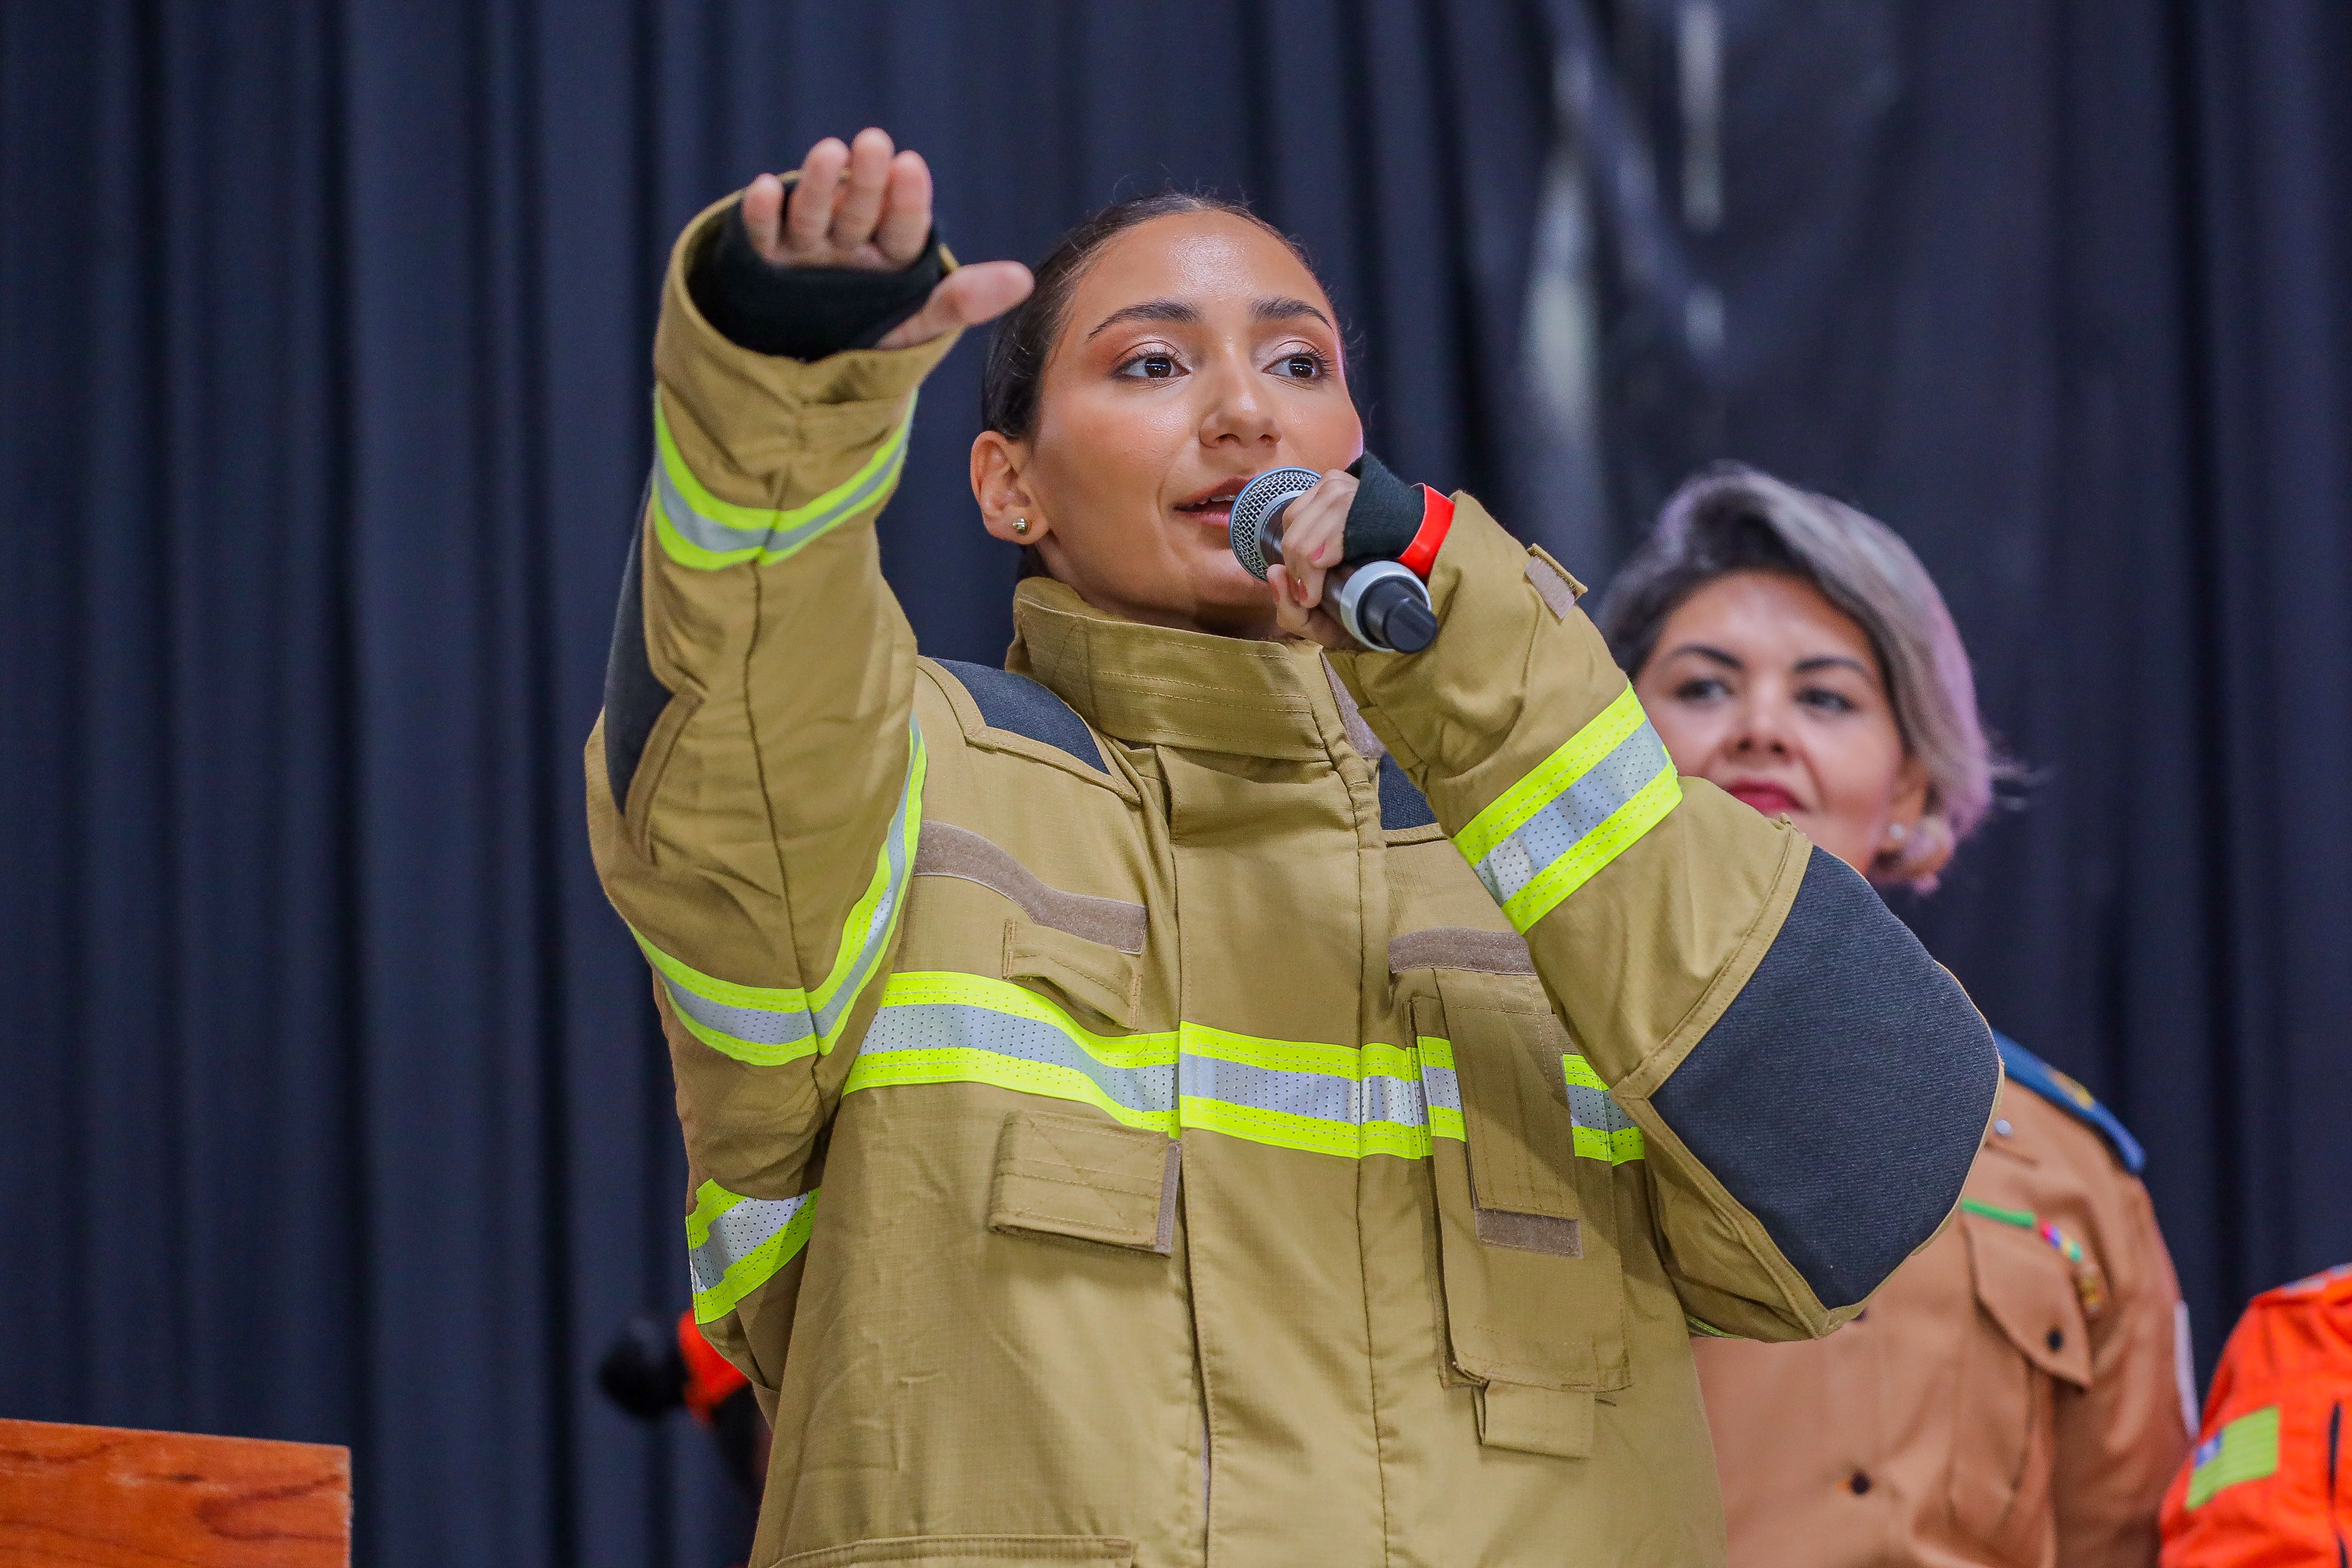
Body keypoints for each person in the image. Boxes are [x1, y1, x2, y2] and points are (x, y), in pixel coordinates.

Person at [585, 127, 1999, 1567]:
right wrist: (784, 413)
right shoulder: (905, 779)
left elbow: (1867, 1161)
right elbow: (738, 753)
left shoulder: (1531, 845)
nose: (1244, 413)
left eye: (1298, 364)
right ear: (1009, 485)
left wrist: (1493, 664)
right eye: (1151, 363)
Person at [1597, 466, 2196, 1568]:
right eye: (1702, 687)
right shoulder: (1487, 1092)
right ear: (1606, 748)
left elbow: (2130, 1537)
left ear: (1910, 790)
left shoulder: (2067, 1167)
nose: (1761, 729)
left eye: (1824, 697)